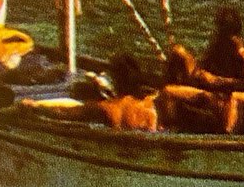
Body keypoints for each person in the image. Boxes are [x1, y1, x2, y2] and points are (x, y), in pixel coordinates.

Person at [158, 6, 244, 131]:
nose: (218, 32)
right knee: (178, 52)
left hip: (219, 98)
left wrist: (216, 80)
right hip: (207, 87)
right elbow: (205, 66)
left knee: (170, 89)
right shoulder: (217, 45)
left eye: (222, 29)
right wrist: (204, 76)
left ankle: (167, 127)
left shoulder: (240, 51)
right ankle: (160, 91)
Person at [16, 54, 159, 131]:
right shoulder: (150, 106)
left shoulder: (105, 108)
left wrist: (36, 107)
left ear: (115, 78)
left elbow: (65, 114)